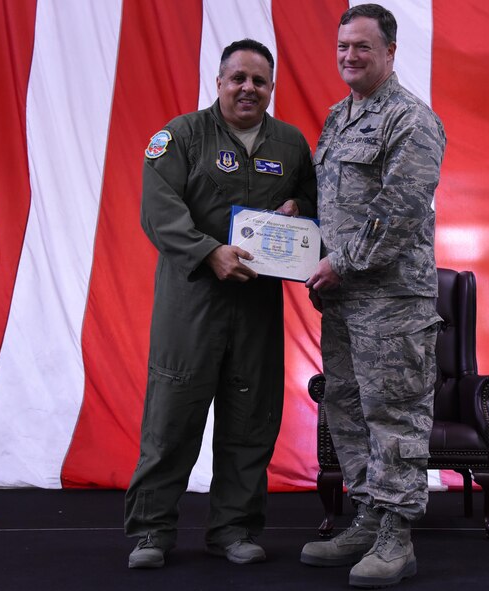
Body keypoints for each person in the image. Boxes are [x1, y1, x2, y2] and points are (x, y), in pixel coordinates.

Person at [125, 38, 317, 569]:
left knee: (252, 419)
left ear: (271, 88)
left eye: (259, 80)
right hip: (192, 302)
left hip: (257, 304)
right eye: (238, 78)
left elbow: (315, 204)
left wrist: (299, 206)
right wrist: (209, 253)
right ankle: (151, 532)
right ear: (219, 82)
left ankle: (233, 529)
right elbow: (159, 211)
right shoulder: (181, 136)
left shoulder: (291, 144)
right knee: (172, 418)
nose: (248, 88)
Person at [300, 4, 446, 589]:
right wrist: (295, 221)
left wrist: (343, 261)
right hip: (342, 301)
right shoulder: (339, 118)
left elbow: (399, 211)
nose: (349, 56)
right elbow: (329, 198)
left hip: (392, 301)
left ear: (389, 51)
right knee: (348, 408)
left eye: (362, 46)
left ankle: (397, 536)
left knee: (394, 414)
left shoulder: (411, 120)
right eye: (342, 47)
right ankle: (367, 517)